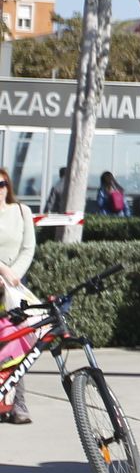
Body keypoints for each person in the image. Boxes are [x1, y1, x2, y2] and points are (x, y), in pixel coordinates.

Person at [0, 168, 37, 424]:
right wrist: (2, 269)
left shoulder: (22, 211)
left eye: (2, 183)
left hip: (13, 289)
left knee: (18, 343)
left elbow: (29, 247)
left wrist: (13, 275)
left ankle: (18, 403)